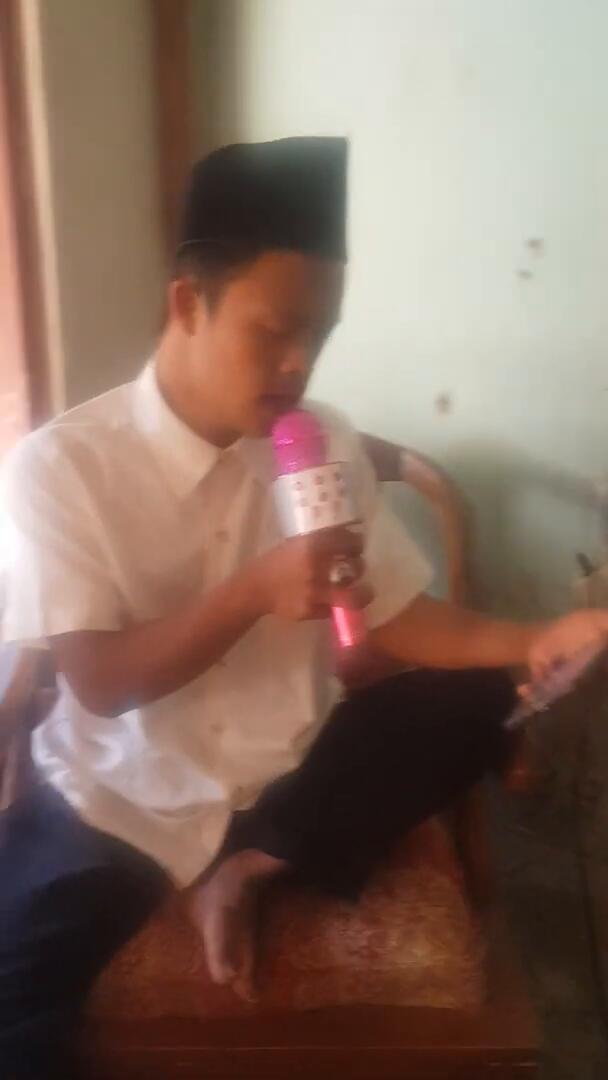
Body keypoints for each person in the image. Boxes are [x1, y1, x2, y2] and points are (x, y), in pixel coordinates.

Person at [1, 136, 606, 1077]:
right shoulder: (59, 468)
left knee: (486, 694)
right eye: (275, 330)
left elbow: (400, 613)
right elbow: (101, 684)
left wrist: (539, 638)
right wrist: (253, 591)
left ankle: (252, 869)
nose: (299, 364)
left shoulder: (323, 442)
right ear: (187, 304)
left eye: (320, 336)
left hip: (292, 772)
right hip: (119, 800)